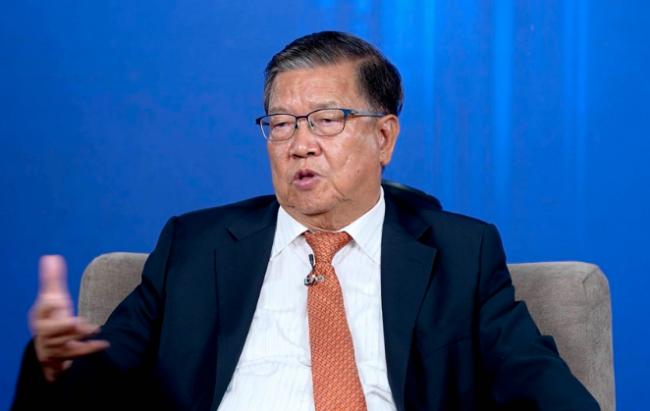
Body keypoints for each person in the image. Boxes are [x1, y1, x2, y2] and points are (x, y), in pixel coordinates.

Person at [12, 31, 599, 411]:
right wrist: (52, 362)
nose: (300, 144)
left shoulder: (461, 255)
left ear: (384, 137)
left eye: (326, 119)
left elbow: (541, 385)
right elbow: (99, 381)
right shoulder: (193, 247)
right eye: (281, 123)